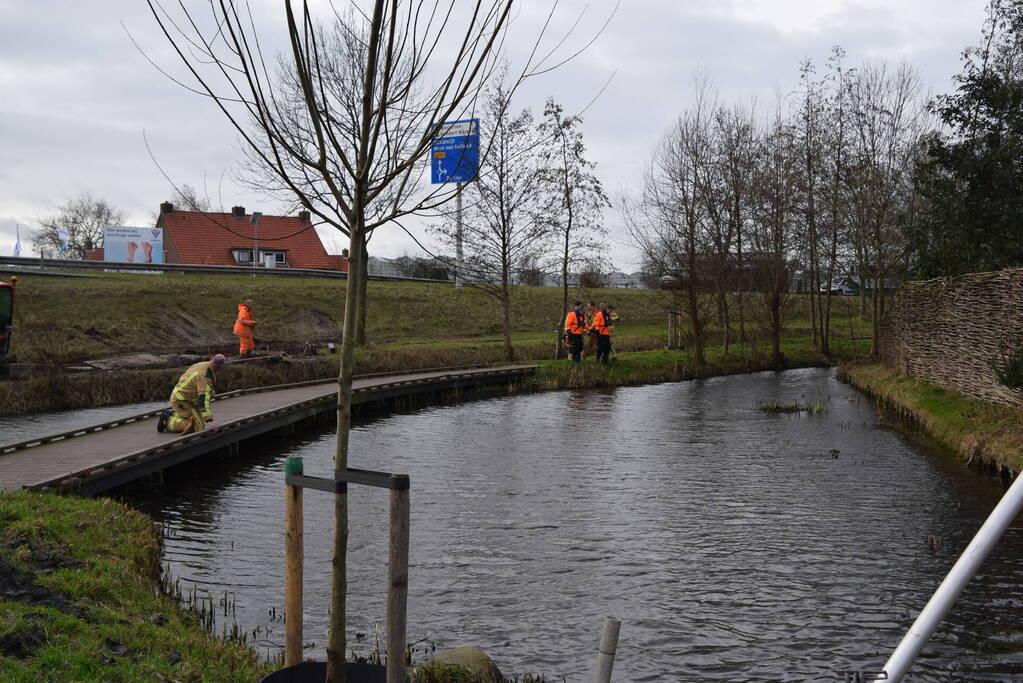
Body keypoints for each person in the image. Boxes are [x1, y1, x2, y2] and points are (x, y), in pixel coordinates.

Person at [157, 354, 226, 434]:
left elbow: (195, 383)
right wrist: (209, 420)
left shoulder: (202, 365)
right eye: (221, 367)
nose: (221, 370)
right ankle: (167, 421)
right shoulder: (205, 377)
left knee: (199, 418)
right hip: (181, 400)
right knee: (198, 426)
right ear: (218, 366)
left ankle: (176, 414)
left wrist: (210, 391)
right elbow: (203, 400)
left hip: (184, 396)